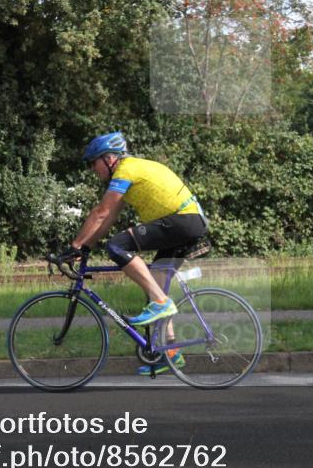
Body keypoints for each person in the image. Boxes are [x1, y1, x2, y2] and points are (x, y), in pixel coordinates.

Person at [60, 131, 208, 375]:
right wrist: (85, 247)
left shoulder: (126, 170)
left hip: (183, 221)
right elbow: (107, 218)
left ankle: (160, 303)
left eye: (93, 163)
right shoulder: (126, 175)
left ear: (109, 159)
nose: (92, 169)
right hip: (188, 222)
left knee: (117, 246)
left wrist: (75, 245)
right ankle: (169, 353)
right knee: (156, 287)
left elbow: (100, 212)